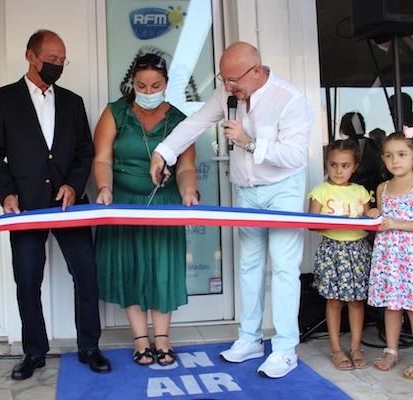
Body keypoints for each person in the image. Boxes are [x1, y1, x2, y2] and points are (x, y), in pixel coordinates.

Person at [149, 42, 314, 378]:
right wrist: (163, 152)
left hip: (282, 190)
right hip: (245, 190)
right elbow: (197, 122)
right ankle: (250, 339)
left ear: (256, 71)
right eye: (223, 79)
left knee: (284, 268)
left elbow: (296, 156)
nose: (227, 86)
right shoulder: (227, 93)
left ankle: (285, 349)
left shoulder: (290, 99)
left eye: (233, 80)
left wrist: (249, 142)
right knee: (249, 264)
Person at [0, 29, 110, 380]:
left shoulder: (73, 102)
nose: (58, 66)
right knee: (27, 280)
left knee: (86, 274)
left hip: (70, 204)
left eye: (62, 61)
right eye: (52, 60)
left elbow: (85, 152)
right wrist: (7, 194)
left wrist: (73, 185)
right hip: (25, 207)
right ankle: (34, 352)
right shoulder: (2, 99)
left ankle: (89, 347)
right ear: (31, 56)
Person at [93, 53, 198, 366]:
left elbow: (186, 167)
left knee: (162, 268)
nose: (149, 92)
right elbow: (102, 158)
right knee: (131, 268)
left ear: (166, 84)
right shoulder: (115, 112)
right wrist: (104, 188)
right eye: (142, 86)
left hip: (164, 205)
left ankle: (162, 338)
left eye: (156, 86)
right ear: (132, 83)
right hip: (123, 203)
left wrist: (188, 192)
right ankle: (140, 339)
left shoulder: (179, 119)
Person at [308, 139, 372, 371]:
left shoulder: (361, 192)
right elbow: (311, 223)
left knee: (356, 301)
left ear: (355, 166)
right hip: (332, 251)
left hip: (358, 251)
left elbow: (369, 220)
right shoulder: (320, 191)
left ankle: (356, 347)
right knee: (334, 301)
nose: (338, 171)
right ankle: (336, 349)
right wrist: (334, 221)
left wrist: (372, 213)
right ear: (326, 164)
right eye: (333, 165)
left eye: (345, 166)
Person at [366, 131, 413, 379]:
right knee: (392, 305)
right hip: (389, 257)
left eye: (402, 154)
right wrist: (374, 214)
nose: (395, 161)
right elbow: (383, 219)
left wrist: (397, 224)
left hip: (409, 257)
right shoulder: (382, 188)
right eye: (389, 156)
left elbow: (397, 221)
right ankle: (391, 351)